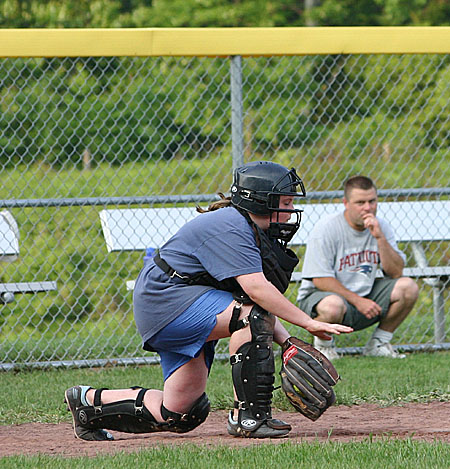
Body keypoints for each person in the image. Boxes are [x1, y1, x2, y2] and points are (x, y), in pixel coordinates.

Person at [65, 161, 352, 441]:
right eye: (285, 203)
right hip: (166, 299)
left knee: (180, 413)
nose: (290, 212)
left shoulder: (249, 227)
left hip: (187, 300)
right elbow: (257, 293)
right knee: (248, 316)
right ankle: (249, 417)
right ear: (261, 202)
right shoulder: (232, 226)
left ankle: (87, 404)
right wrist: (308, 323)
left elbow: (256, 302)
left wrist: (288, 343)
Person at [296, 175, 419, 359]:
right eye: (360, 202)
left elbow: (396, 272)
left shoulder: (381, 226)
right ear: (346, 203)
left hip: (365, 295)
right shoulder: (327, 228)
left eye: (372, 201)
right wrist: (357, 301)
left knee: (408, 287)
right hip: (323, 298)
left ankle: (378, 344)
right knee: (333, 306)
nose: (368, 208)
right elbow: (320, 279)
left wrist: (379, 238)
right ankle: (323, 347)